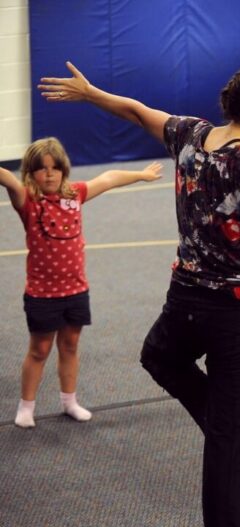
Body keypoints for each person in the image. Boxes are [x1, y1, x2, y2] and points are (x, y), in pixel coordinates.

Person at [39, 60, 240, 527]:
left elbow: (136, 111)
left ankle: (220, 418)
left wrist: (91, 94)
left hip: (188, 299)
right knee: (230, 441)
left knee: (160, 357)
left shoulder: (192, 135)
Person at [1, 138, 162, 428]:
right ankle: (26, 406)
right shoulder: (28, 201)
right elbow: (7, 180)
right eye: (41, 169)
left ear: (64, 170)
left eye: (55, 168)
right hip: (42, 294)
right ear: (30, 173)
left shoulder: (74, 195)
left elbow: (108, 178)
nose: (49, 174)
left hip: (76, 290)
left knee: (71, 345)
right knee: (39, 348)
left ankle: (69, 401)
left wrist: (141, 175)